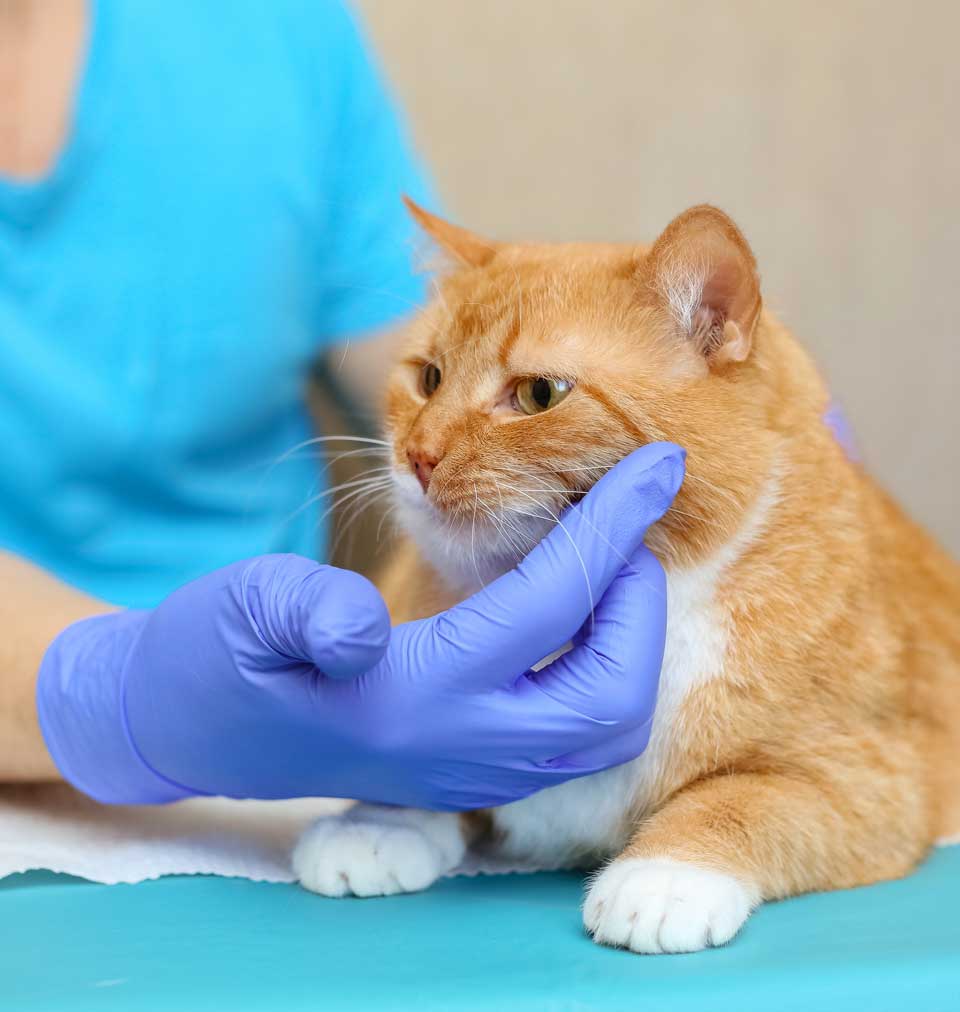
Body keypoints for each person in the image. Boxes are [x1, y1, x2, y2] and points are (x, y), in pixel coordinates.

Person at [1, 0, 682, 809]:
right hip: (204, 746)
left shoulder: (276, 28)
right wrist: (116, 695)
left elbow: (432, 353)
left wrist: (704, 414)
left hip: (294, 773)